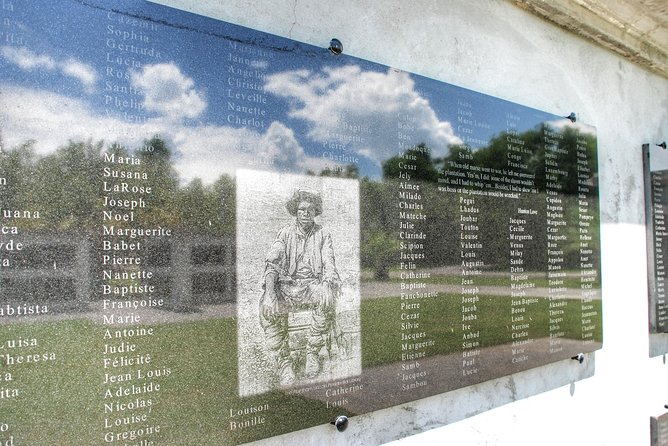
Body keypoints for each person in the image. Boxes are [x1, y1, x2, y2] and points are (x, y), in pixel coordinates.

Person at [259, 189, 341, 385]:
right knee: (266, 307)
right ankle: (284, 363)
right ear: (295, 211)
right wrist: (270, 294)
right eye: (301, 209)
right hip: (287, 287)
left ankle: (312, 352)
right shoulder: (285, 233)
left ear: (315, 212)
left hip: (311, 286)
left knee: (326, 296)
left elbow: (329, 261)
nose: (305, 213)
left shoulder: (323, 234)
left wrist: (329, 283)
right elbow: (272, 263)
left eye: (310, 209)